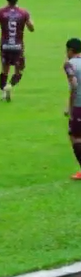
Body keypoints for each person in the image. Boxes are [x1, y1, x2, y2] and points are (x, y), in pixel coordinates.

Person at [0, 0, 34, 101]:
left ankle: (3, 91)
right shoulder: (23, 13)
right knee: (19, 71)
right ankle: (10, 86)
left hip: (5, 46)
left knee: (4, 70)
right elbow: (32, 28)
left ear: (7, 0)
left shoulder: (0, 12)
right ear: (17, 0)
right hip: (18, 46)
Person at [63, 38, 81, 180]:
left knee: (74, 136)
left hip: (79, 105)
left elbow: (74, 85)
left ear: (70, 50)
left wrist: (70, 107)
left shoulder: (69, 65)